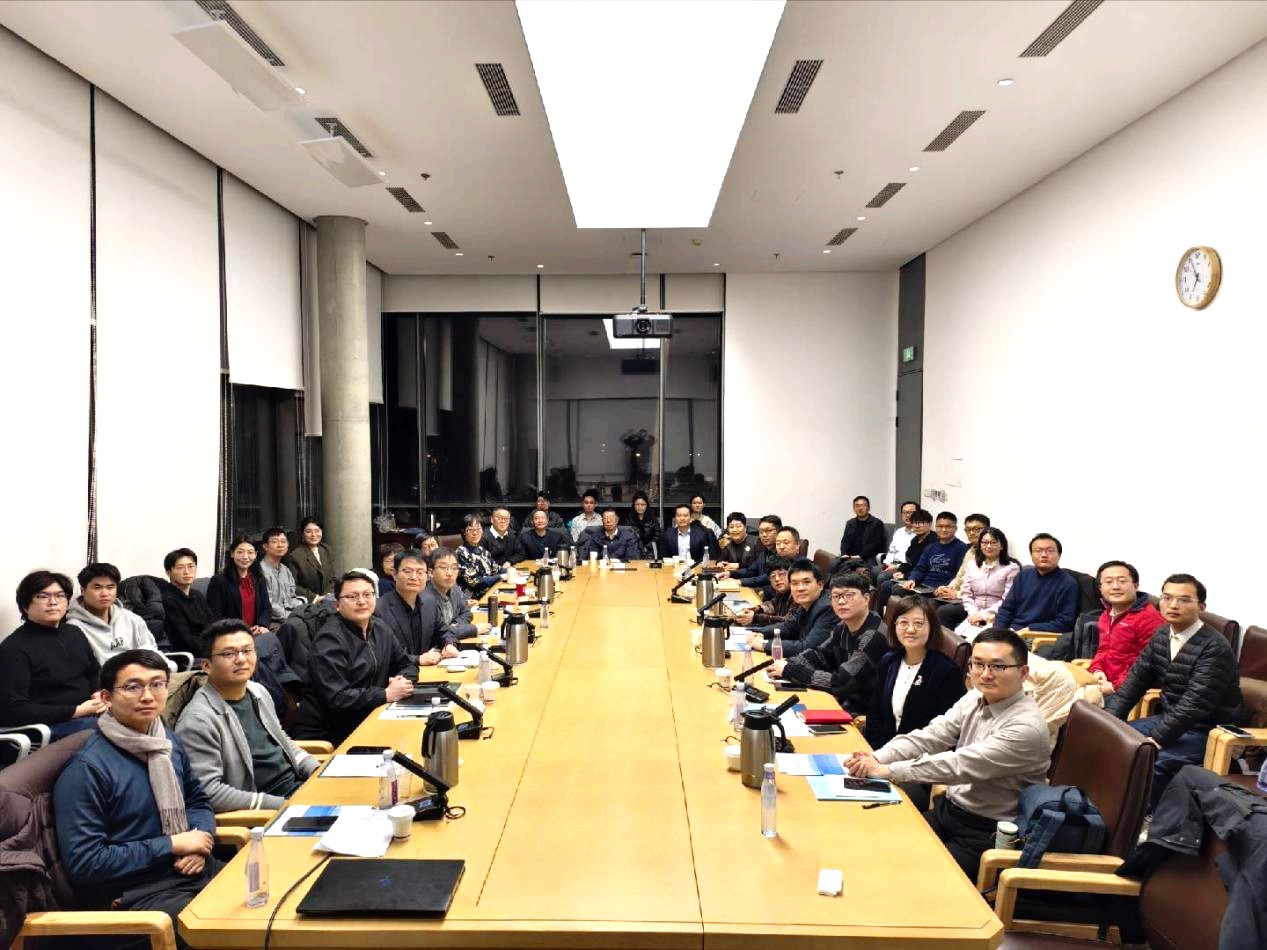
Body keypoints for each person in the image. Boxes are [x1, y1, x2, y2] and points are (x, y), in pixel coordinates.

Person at [847, 629, 1051, 882]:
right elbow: (932, 736)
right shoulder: (976, 697)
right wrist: (877, 758)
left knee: (909, 877)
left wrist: (889, 770)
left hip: (986, 833)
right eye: (978, 664)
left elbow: (959, 764)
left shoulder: (1026, 728)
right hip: (948, 813)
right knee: (875, 844)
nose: (986, 674)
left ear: (1023, 673)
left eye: (998, 666)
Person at [53, 649, 219, 942]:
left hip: (190, 870)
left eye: (157, 684)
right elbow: (86, 862)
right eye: (133, 687)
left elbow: (197, 801)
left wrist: (199, 841)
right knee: (235, 930)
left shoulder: (165, 741)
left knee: (271, 899)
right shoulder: (87, 769)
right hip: (134, 899)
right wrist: (172, 845)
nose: (148, 696)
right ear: (106, 698)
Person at [1106, 574, 1244, 810]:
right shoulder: (1162, 635)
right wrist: (1108, 721)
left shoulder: (1215, 648)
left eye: (1184, 600)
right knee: (1115, 740)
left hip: (1208, 730)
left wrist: (1157, 739)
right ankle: (1116, 806)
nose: (1173, 605)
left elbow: (1195, 704)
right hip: (1170, 719)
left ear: (1201, 607)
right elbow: (1135, 682)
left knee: (1151, 760)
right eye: (1167, 598)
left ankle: (1152, 818)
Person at [176, 620, 319, 812]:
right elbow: (208, 791)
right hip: (267, 813)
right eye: (228, 654)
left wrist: (316, 770)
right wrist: (283, 805)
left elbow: (281, 739)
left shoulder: (257, 691)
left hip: (299, 791)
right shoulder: (198, 720)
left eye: (247, 650)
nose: (241, 659)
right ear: (207, 666)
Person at [293, 572, 417, 744]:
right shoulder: (329, 640)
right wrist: (385, 694)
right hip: (331, 733)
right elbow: (338, 698)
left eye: (367, 594)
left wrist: (402, 682)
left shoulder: (380, 628)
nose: (361, 601)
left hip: (370, 715)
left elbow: (406, 664)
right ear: (337, 605)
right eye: (352, 596)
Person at [0, 570, 104, 738]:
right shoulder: (13, 649)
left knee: (138, 715)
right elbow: (13, 709)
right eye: (43, 596)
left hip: (89, 715)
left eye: (60, 595)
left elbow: (94, 672)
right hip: (49, 726)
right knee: (106, 730)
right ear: (25, 605)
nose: (53, 602)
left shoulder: (74, 632)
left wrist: (99, 693)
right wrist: (77, 711)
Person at [865, 595, 967, 750]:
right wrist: (875, 751)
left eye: (918, 623)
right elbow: (875, 712)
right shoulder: (888, 661)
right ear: (894, 626)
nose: (910, 629)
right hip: (881, 750)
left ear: (932, 627)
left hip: (921, 756)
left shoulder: (947, 671)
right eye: (903, 622)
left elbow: (948, 733)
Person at [777, 572, 887, 711]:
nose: (841, 601)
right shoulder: (843, 626)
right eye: (836, 596)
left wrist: (791, 670)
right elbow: (819, 655)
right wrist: (790, 664)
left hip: (862, 714)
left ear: (866, 599)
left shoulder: (874, 636)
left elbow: (842, 684)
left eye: (849, 595)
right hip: (841, 703)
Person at [1086, 560, 1167, 694]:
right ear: (1100, 588)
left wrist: (1115, 687)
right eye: (1108, 582)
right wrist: (1097, 670)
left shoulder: (1149, 619)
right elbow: (1102, 650)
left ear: (1136, 586)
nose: (1115, 587)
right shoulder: (1106, 615)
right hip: (1104, 683)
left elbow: (1149, 665)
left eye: (1122, 581)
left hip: (1129, 692)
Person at [66, 562, 164, 663]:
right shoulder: (73, 629)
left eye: (110, 587)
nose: (105, 593)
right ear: (83, 591)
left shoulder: (132, 619)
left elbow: (152, 653)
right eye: (97, 588)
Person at [376, 549, 457, 665]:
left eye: (420, 572)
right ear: (394, 574)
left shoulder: (430, 602)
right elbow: (382, 654)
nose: (414, 577)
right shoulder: (379, 609)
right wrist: (417, 659)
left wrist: (449, 644)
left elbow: (443, 632)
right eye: (407, 571)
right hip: (398, 674)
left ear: (428, 575)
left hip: (428, 671)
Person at [993, 533, 1079, 636]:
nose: (1044, 555)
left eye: (1050, 551)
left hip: (1036, 636)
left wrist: (1030, 629)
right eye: (1038, 551)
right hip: (1012, 632)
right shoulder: (1023, 575)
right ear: (1031, 555)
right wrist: (997, 632)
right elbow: (1007, 609)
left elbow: (1065, 623)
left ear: (1059, 555)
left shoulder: (1068, 583)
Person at [746, 559, 836, 658]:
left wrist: (764, 644)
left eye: (806, 582)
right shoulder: (805, 603)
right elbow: (789, 627)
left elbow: (808, 648)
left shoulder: (829, 608)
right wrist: (758, 632)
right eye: (795, 583)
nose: (800, 588)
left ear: (820, 585)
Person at [954, 527, 1020, 640]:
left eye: (993, 543)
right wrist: (973, 613)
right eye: (984, 543)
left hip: (996, 615)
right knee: (957, 638)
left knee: (975, 640)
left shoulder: (1011, 568)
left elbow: (1007, 599)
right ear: (980, 545)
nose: (988, 546)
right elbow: (966, 593)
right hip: (973, 613)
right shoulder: (972, 565)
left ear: (1002, 546)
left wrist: (983, 615)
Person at [931, 513, 990, 627]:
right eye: (968, 529)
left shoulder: (990, 553)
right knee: (931, 603)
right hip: (963, 596)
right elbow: (960, 576)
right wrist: (948, 588)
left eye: (976, 529)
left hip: (977, 602)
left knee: (944, 612)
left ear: (987, 530)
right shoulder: (970, 551)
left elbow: (983, 589)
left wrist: (957, 594)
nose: (971, 533)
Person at [206, 536, 272, 632]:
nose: (245, 557)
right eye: (240, 552)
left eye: (250, 552)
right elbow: (215, 616)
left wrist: (262, 625)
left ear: (255, 555)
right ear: (232, 553)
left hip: (256, 632)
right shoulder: (219, 581)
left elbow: (266, 608)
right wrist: (238, 631)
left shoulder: (259, 578)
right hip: (231, 633)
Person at [160, 548, 216, 656]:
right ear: (168, 572)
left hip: (209, 647)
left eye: (191, 566)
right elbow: (185, 639)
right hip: (188, 654)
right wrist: (214, 650)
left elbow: (212, 625)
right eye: (180, 567)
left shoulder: (198, 595)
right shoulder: (167, 599)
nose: (187, 572)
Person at [426, 548, 488, 642]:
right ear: (430, 572)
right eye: (443, 568)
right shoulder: (425, 597)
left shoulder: (454, 588)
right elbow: (436, 633)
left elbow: (467, 613)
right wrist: (471, 629)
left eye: (454, 568)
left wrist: (454, 626)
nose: (450, 573)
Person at [901, 511, 968, 593]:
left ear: (955, 528)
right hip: (924, 586)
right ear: (936, 527)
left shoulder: (962, 548)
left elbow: (960, 576)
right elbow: (920, 568)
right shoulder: (930, 547)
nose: (944, 530)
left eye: (948, 527)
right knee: (897, 589)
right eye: (940, 526)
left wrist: (946, 588)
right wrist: (912, 579)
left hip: (943, 589)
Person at [259, 527, 308, 621]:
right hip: (271, 621)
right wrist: (291, 615)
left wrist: (302, 603)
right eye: (275, 542)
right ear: (265, 546)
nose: (280, 545)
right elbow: (268, 604)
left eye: (283, 541)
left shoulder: (285, 570)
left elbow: (291, 597)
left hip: (290, 616)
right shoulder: (261, 571)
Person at [285, 516, 337, 597]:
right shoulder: (295, 556)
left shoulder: (327, 550)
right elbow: (292, 586)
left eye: (317, 531)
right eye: (308, 531)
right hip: (308, 600)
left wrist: (328, 595)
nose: (313, 535)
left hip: (328, 597)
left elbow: (332, 578)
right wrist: (315, 598)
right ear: (302, 534)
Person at [734, 556, 794, 627]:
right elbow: (773, 604)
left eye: (781, 574)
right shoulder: (781, 592)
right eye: (773, 576)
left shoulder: (796, 594)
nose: (777, 579)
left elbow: (789, 621)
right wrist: (758, 609)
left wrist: (755, 618)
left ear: (790, 575)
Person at [726, 514, 781, 588]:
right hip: (760, 589)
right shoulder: (765, 551)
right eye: (761, 531)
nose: (764, 535)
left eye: (769, 530)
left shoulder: (782, 552)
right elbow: (751, 571)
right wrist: (730, 574)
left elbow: (768, 577)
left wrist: (740, 581)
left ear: (779, 531)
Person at [456, 513, 504, 596]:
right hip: (474, 598)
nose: (475, 533)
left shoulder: (482, 550)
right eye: (470, 530)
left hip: (491, 592)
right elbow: (475, 582)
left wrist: (512, 572)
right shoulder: (461, 553)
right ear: (463, 532)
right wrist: (501, 577)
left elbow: (496, 569)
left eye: (478, 529)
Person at [838, 495, 887, 565]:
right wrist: (844, 554)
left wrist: (860, 556)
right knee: (833, 563)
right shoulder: (850, 523)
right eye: (857, 506)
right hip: (850, 557)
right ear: (854, 509)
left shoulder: (877, 523)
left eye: (863, 505)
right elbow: (845, 541)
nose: (860, 508)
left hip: (868, 558)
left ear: (868, 508)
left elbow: (874, 545)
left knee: (847, 567)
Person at [879, 501, 920, 576]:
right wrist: (887, 563)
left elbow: (913, 561)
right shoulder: (899, 531)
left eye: (911, 512)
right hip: (891, 564)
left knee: (882, 577)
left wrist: (897, 567)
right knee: (870, 571)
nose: (907, 515)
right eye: (905, 513)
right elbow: (891, 550)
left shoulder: (920, 534)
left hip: (904, 567)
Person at [624, 490, 662, 557]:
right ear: (633, 505)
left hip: (650, 553)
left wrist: (646, 548)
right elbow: (626, 537)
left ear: (647, 505)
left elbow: (657, 537)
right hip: (633, 552)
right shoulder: (629, 519)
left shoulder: (652, 519)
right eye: (637, 504)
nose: (640, 507)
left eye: (643, 504)